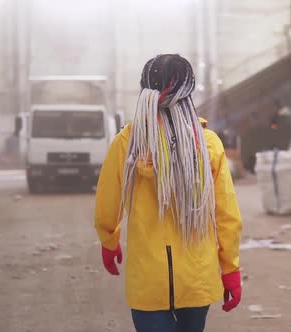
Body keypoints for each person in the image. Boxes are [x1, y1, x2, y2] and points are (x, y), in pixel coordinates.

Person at [94, 54, 243, 332]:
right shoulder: (207, 144)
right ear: (189, 92)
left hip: (147, 278)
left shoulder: (128, 143)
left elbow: (107, 201)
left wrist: (108, 238)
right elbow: (227, 216)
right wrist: (230, 268)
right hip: (196, 276)